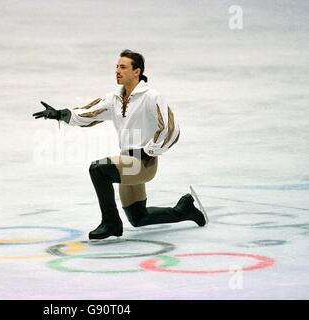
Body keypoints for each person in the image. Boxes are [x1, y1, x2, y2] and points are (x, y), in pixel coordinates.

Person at [33, 49, 208, 240]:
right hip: (127, 161)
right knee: (138, 217)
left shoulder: (151, 96)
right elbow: (88, 113)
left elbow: (170, 128)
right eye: (116, 66)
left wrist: (150, 150)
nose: (117, 70)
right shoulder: (114, 99)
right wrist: (60, 114)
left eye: (123, 67)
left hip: (142, 162)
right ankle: (184, 210)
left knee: (98, 169)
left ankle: (111, 223)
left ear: (137, 71)